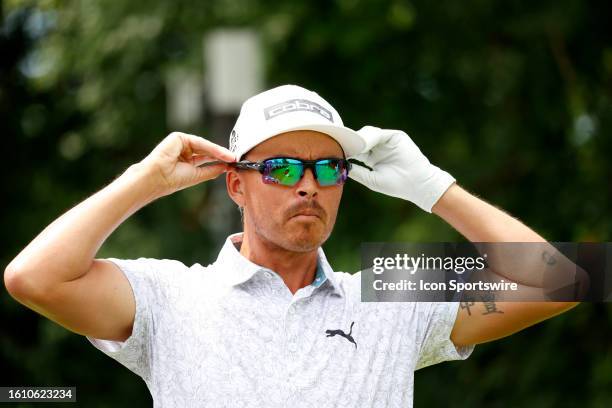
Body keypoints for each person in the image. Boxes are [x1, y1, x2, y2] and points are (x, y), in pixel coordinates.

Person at [4, 85, 579, 407]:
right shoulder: (170, 295)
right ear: (236, 183)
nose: (309, 185)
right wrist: (146, 179)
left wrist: (436, 189)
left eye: (329, 168)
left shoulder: (389, 291)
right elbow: (34, 278)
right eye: (280, 167)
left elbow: (563, 281)